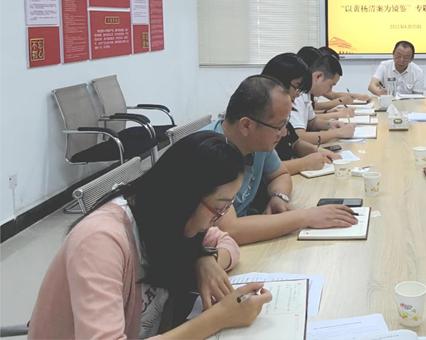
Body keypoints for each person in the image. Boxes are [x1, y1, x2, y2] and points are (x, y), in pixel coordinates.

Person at [29, 132, 274, 339]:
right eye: (219, 207)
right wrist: (218, 318)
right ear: (185, 195)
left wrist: (205, 259)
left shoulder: (168, 222)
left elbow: (227, 242)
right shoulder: (101, 240)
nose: (219, 218)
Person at [203, 75, 358, 245]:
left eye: (286, 124)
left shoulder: (255, 141)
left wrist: (278, 196)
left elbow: (279, 174)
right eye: (279, 126)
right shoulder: (210, 153)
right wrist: (305, 217)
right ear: (246, 125)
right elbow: (231, 229)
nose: (284, 134)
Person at [261, 53, 342, 175]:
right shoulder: (261, 116)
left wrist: (318, 151)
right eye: (297, 87)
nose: (297, 94)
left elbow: (295, 143)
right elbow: (264, 169)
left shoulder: (282, 111)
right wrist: (304, 163)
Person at [290, 55, 357, 144]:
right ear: (318, 76)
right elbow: (299, 137)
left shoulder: (307, 94)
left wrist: (330, 124)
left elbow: (312, 122)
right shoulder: (297, 95)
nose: (330, 91)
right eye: (330, 85)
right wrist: (338, 133)